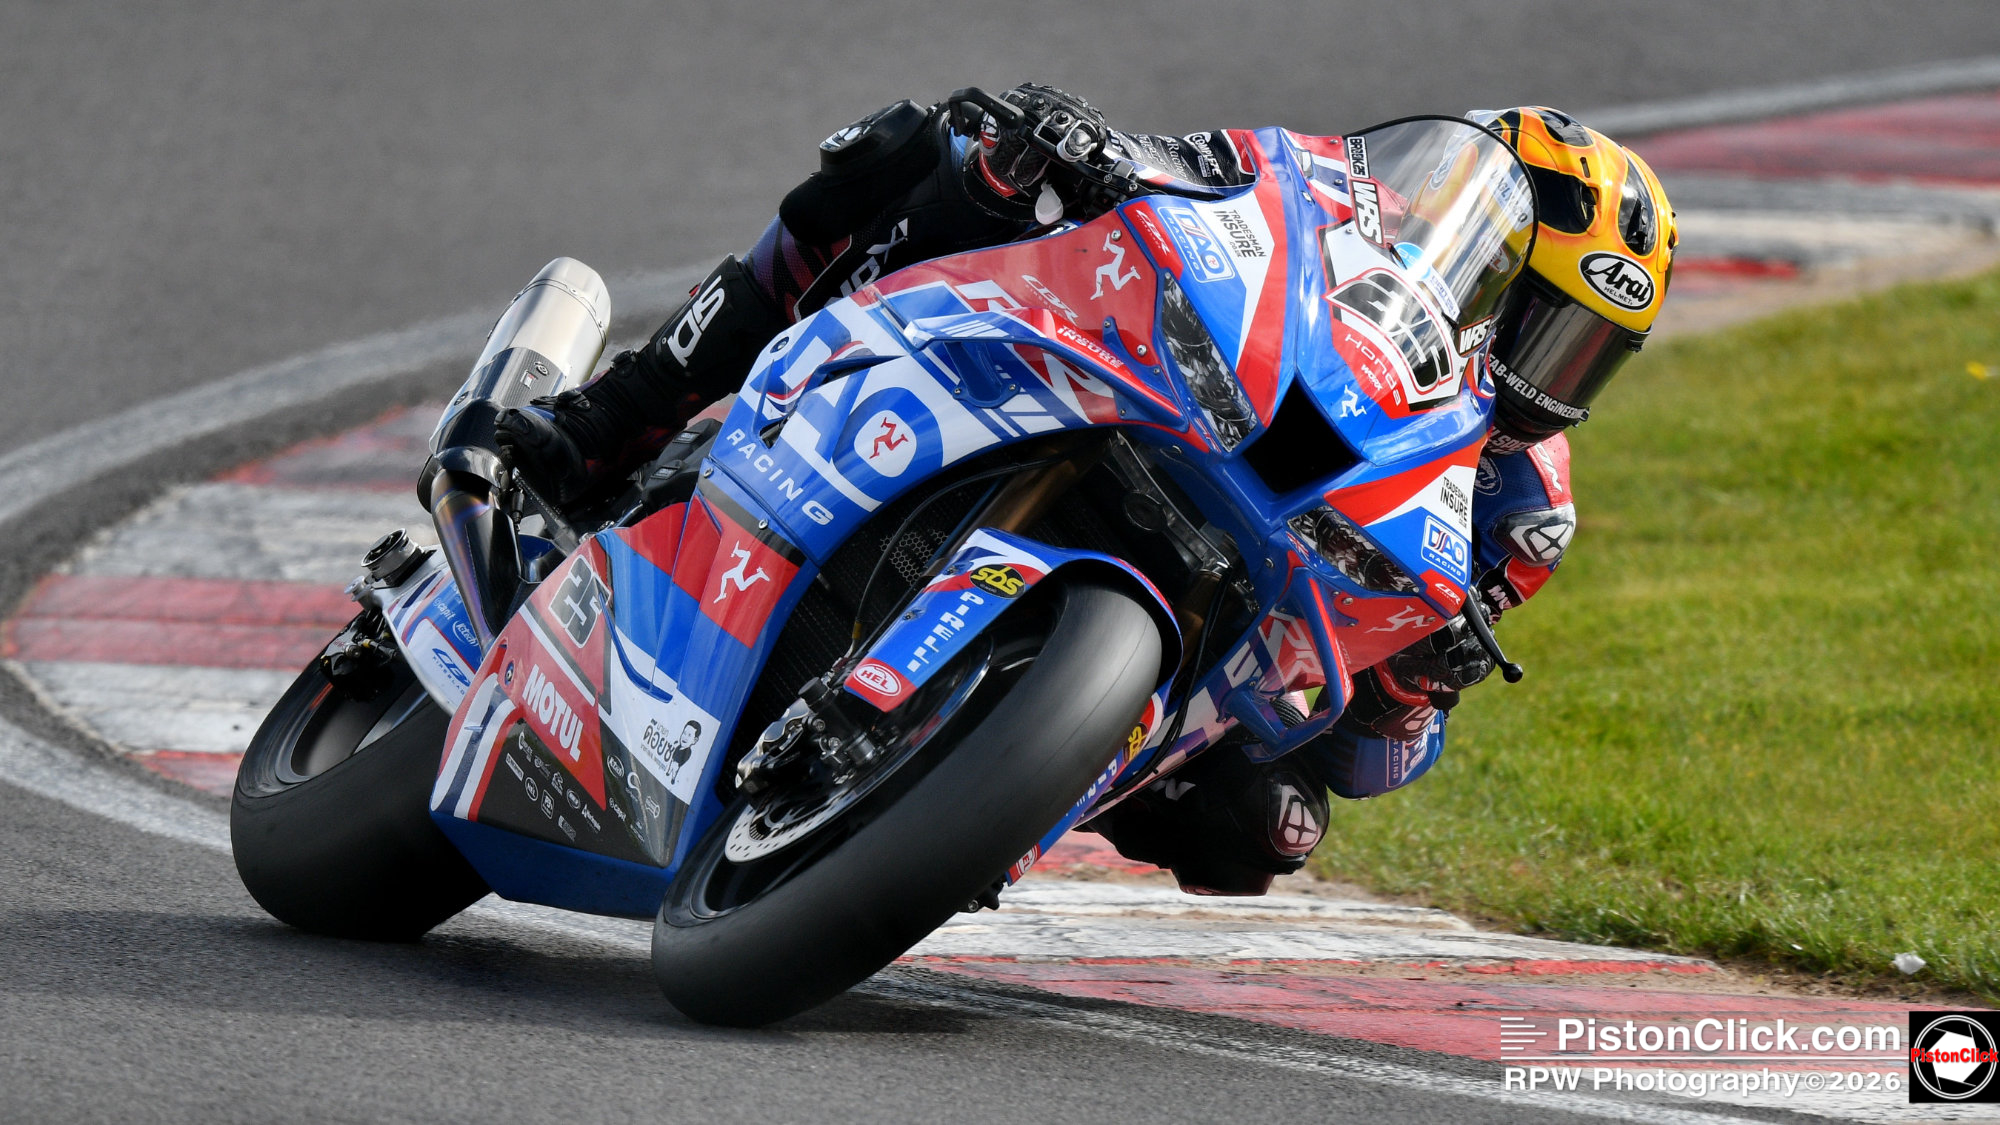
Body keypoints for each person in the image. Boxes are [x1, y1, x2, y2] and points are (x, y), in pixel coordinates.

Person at [495, 88, 1677, 896]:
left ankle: (982, 794)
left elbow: (1373, 761)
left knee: (1271, 832)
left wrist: (1413, 693)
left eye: (1582, 353)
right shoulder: (1328, 194)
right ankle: (614, 418)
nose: (1546, 373)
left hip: (1225, 631)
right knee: (943, 152)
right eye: (1537, 321)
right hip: (1161, 395)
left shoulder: (1523, 514)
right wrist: (1078, 147)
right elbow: (1203, 182)